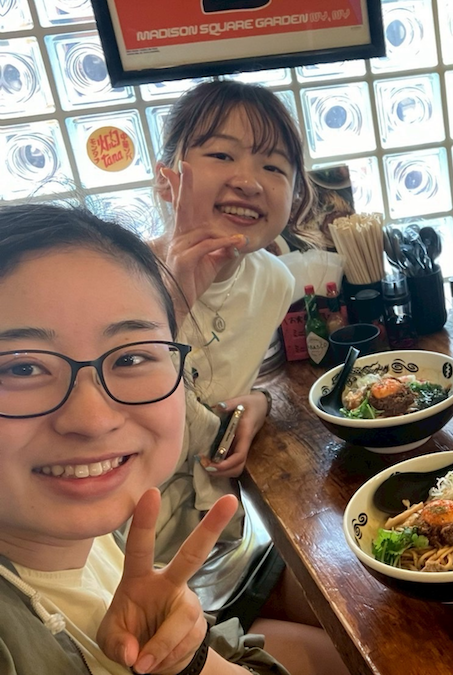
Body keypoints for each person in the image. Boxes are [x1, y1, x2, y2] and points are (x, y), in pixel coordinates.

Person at [0, 202, 311, 674]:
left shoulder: (97, 533)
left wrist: (184, 660)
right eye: (21, 367)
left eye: (128, 358)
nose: (92, 419)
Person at [146, 80, 341, 643]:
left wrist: (255, 403)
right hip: (123, 566)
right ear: (168, 177)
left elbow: (234, 380)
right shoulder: (122, 280)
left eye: (275, 167)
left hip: (220, 540)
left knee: (375, 618)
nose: (249, 181)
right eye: (221, 155)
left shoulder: (274, 280)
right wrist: (171, 300)